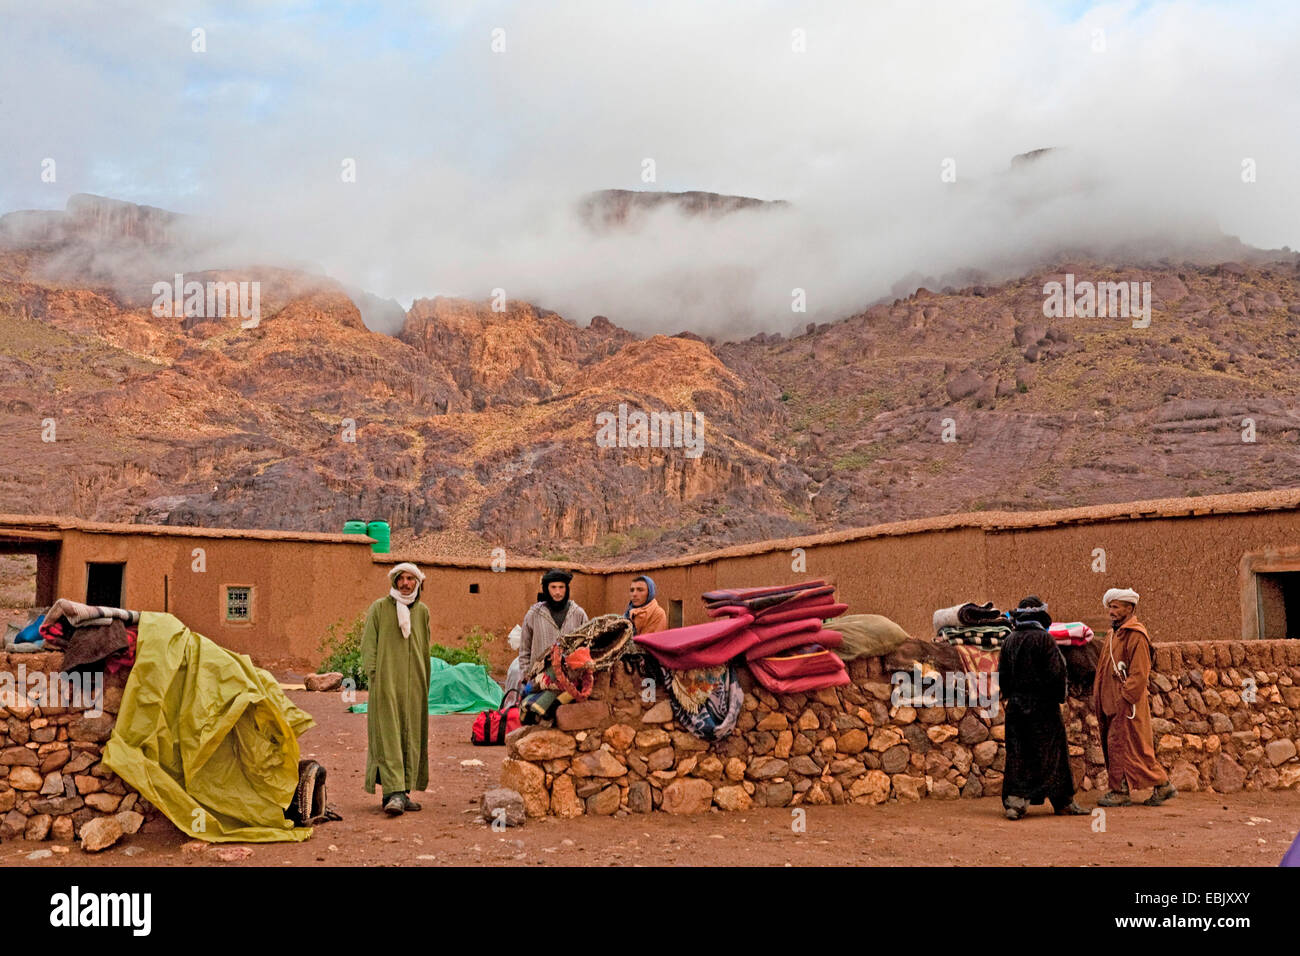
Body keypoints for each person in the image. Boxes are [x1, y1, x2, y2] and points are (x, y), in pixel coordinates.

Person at [998, 596, 1087, 819]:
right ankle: (1063, 802)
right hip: (1044, 709)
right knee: (1053, 755)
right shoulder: (1045, 641)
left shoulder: (1009, 641)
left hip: (1017, 708)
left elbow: (1004, 678)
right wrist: (1059, 697)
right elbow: (1057, 674)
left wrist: (1011, 696)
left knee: (1018, 754)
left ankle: (1015, 803)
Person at [1092, 587, 1177, 807]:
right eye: (1110, 607)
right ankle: (1124, 789)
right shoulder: (1114, 635)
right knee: (1117, 745)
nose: (1111, 611)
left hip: (1127, 705)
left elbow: (1139, 673)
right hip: (1112, 703)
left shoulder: (1136, 636)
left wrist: (1125, 698)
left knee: (1134, 748)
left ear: (1129, 609)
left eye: (1115, 607)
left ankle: (1154, 785)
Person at [361, 562, 431, 816]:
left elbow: (424, 649)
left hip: (413, 688)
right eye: (401, 578)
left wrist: (424, 683)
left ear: (417, 582)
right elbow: (368, 646)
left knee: (411, 735)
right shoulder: (380, 609)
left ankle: (404, 791)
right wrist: (375, 677)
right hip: (386, 684)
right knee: (388, 735)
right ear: (394, 582)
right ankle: (393, 793)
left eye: (410, 578)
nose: (405, 583)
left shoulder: (422, 612)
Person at [518, 569, 587, 677]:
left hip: (571, 680)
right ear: (547, 589)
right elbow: (524, 651)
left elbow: (586, 649)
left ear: (566, 589)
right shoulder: (533, 615)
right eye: (553, 587)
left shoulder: (579, 614)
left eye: (561, 587)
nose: (558, 592)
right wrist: (525, 676)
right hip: (538, 679)